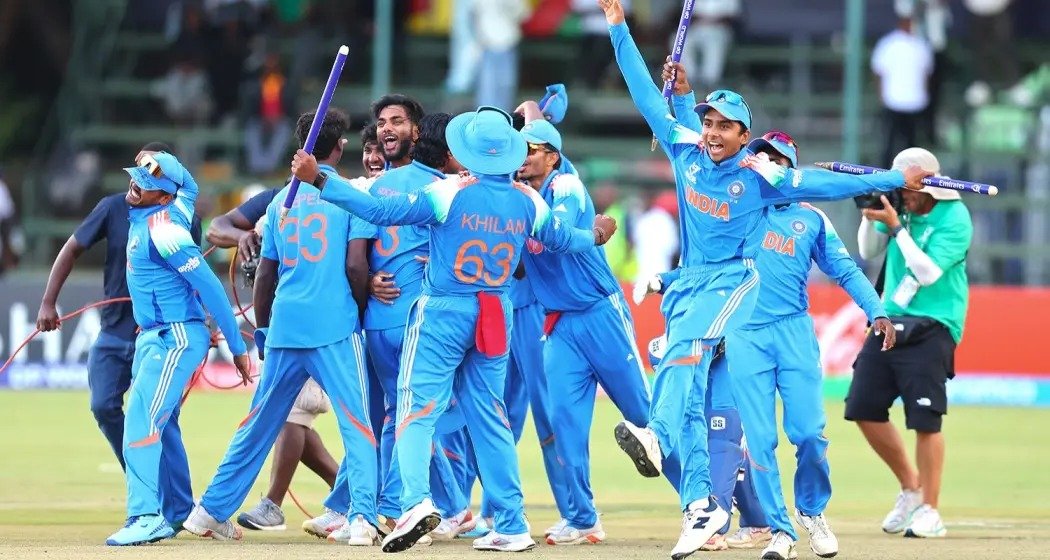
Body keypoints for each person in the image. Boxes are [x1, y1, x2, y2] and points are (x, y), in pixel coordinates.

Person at [598, 1, 929, 556]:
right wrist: (618, 28)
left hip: (737, 284)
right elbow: (643, 94)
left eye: (724, 126)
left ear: (744, 135)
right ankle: (704, 507)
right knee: (694, 391)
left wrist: (894, 177)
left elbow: (826, 185)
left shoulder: (763, 178)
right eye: (707, 122)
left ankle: (663, 439)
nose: (712, 133)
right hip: (695, 283)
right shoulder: (685, 149)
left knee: (692, 358)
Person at [290, 105, 617, 553]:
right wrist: (595, 235)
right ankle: (511, 524)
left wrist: (320, 180)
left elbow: (378, 209)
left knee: (414, 409)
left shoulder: (450, 191)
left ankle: (414, 503)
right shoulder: (528, 198)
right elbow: (564, 239)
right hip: (495, 312)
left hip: (444, 309)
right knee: (491, 418)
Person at [184, 108, 380, 545]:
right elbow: (355, 265)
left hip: (286, 326)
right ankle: (363, 519)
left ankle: (209, 512)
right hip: (334, 326)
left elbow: (266, 275)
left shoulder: (280, 204)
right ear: (340, 146)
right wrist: (360, 311)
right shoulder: (351, 196)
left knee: (259, 423)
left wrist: (264, 330)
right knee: (357, 423)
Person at [517, 118, 681, 545]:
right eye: (519, 149)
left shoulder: (566, 186)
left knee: (644, 418)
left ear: (553, 157)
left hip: (600, 315)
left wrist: (586, 233)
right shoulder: (517, 197)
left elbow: (557, 237)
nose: (522, 157)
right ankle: (582, 518)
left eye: (531, 149)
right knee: (564, 423)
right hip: (559, 324)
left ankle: (700, 505)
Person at [36, 143, 202, 533]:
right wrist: (48, 302)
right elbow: (71, 248)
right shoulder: (113, 207)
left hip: (161, 334)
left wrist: (201, 320)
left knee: (163, 419)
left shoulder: (182, 217)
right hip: (113, 331)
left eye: (150, 169)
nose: (139, 175)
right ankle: (143, 483)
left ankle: (179, 509)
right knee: (103, 405)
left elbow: (193, 275)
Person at [105, 151, 251, 546]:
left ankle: (145, 516)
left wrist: (237, 347)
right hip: (155, 337)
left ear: (164, 197)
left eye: (147, 184)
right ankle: (181, 512)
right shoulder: (176, 207)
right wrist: (160, 162)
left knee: (141, 419)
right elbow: (190, 185)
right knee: (161, 422)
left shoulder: (166, 231)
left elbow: (211, 288)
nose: (135, 185)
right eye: (137, 177)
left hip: (174, 337)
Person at [848, 147, 973, 539]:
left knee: (925, 418)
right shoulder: (898, 205)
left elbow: (929, 272)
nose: (904, 195)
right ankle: (910, 486)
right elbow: (868, 251)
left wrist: (898, 230)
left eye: (908, 188)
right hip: (889, 318)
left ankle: (930, 510)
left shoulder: (955, 216)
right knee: (863, 407)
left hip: (935, 323)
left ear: (928, 185)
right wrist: (871, 215)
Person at [360, 112, 473, 543]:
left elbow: (355, 250)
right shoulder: (448, 190)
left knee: (401, 415)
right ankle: (400, 508)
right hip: (421, 317)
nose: (387, 130)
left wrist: (368, 280)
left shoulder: (377, 186)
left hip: (377, 318)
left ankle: (448, 508)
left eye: (396, 121)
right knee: (417, 416)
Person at [872, 8, 934, 167]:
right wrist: (881, 96)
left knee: (912, 146)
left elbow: (927, 73)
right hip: (893, 101)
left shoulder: (921, 44)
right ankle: (884, 174)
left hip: (915, 102)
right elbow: (879, 72)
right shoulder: (888, 43)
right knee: (889, 143)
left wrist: (924, 95)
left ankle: (911, 176)